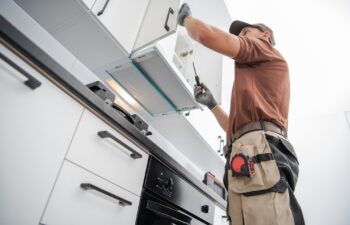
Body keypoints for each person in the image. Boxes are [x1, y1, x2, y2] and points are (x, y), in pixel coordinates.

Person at [177, 3, 305, 225]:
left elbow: (205, 34)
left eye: (246, 33)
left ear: (265, 36)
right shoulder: (255, 80)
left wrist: (186, 20)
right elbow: (236, 130)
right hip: (250, 150)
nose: (242, 37)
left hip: (259, 150)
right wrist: (212, 104)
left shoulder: (265, 50)